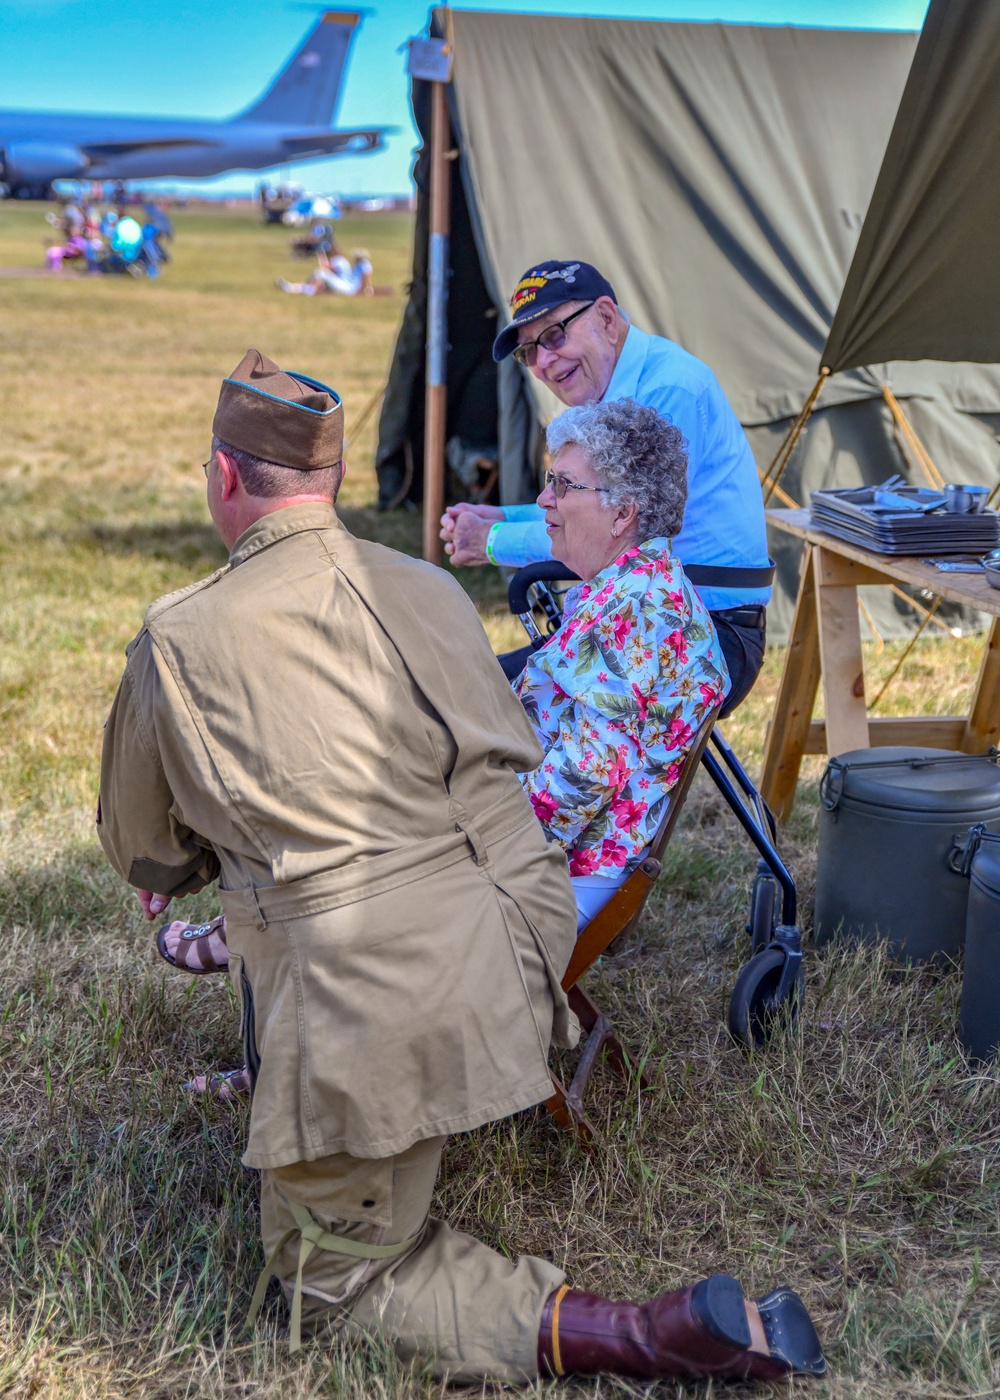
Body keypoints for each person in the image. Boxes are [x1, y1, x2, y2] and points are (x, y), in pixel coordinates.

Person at [98, 349, 824, 1385]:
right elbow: (501, 757)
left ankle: (645, 1334)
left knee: (322, 1271)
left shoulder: (177, 633)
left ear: (222, 477)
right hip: (521, 943)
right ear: (338, 481)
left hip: (377, 983)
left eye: (562, 486)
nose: (543, 501)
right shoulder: (435, 589)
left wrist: (213, 845)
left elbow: (145, 849)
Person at [440, 260, 773, 713]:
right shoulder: (619, 391)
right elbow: (594, 508)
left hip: (705, 636)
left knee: (473, 705)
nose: (542, 362)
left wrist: (493, 541)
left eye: (553, 336)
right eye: (528, 352)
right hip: (649, 621)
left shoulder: (667, 392)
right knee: (467, 693)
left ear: (606, 318)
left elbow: (615, 535)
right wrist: (505, 516)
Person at [276, 247, 373, 297]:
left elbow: (366, 281)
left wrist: (366, 291)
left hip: (348, 289)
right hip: (346, 287)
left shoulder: (365, 264)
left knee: (321, 273)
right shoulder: (356, 265)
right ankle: (294, 287)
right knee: (321, 276)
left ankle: (302, 288)